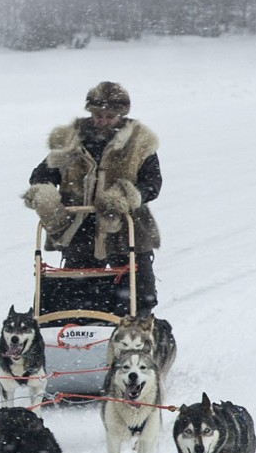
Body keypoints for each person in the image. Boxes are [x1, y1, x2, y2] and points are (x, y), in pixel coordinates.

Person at [22, 81, 162, 315]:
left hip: (125, 224)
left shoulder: (140, 142)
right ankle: (82, 331)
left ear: (122, 114)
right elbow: (42, 173)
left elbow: (152, 183)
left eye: (110, 116)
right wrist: (45, 194)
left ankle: (138, 331)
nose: (103, 120)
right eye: (98, 115)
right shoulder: (70, 140)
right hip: (80, 225)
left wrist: (128, 196)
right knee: (79, 291)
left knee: (137, 292)